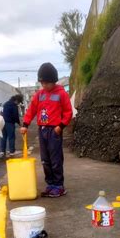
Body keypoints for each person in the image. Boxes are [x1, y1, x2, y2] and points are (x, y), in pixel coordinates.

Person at [20, 62, 73, 198]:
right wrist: (25, 124)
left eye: (47, 83)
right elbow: (31, 110)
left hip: (54, 131)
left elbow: (68, 112)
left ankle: (59, 186)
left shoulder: (62, 94)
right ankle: (50, 184)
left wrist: (60, 127)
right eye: (42, 83)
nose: (44, 86)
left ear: (53, 81)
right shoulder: (39, 95)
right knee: (45, 159)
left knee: (55, 159)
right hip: (42, 130)